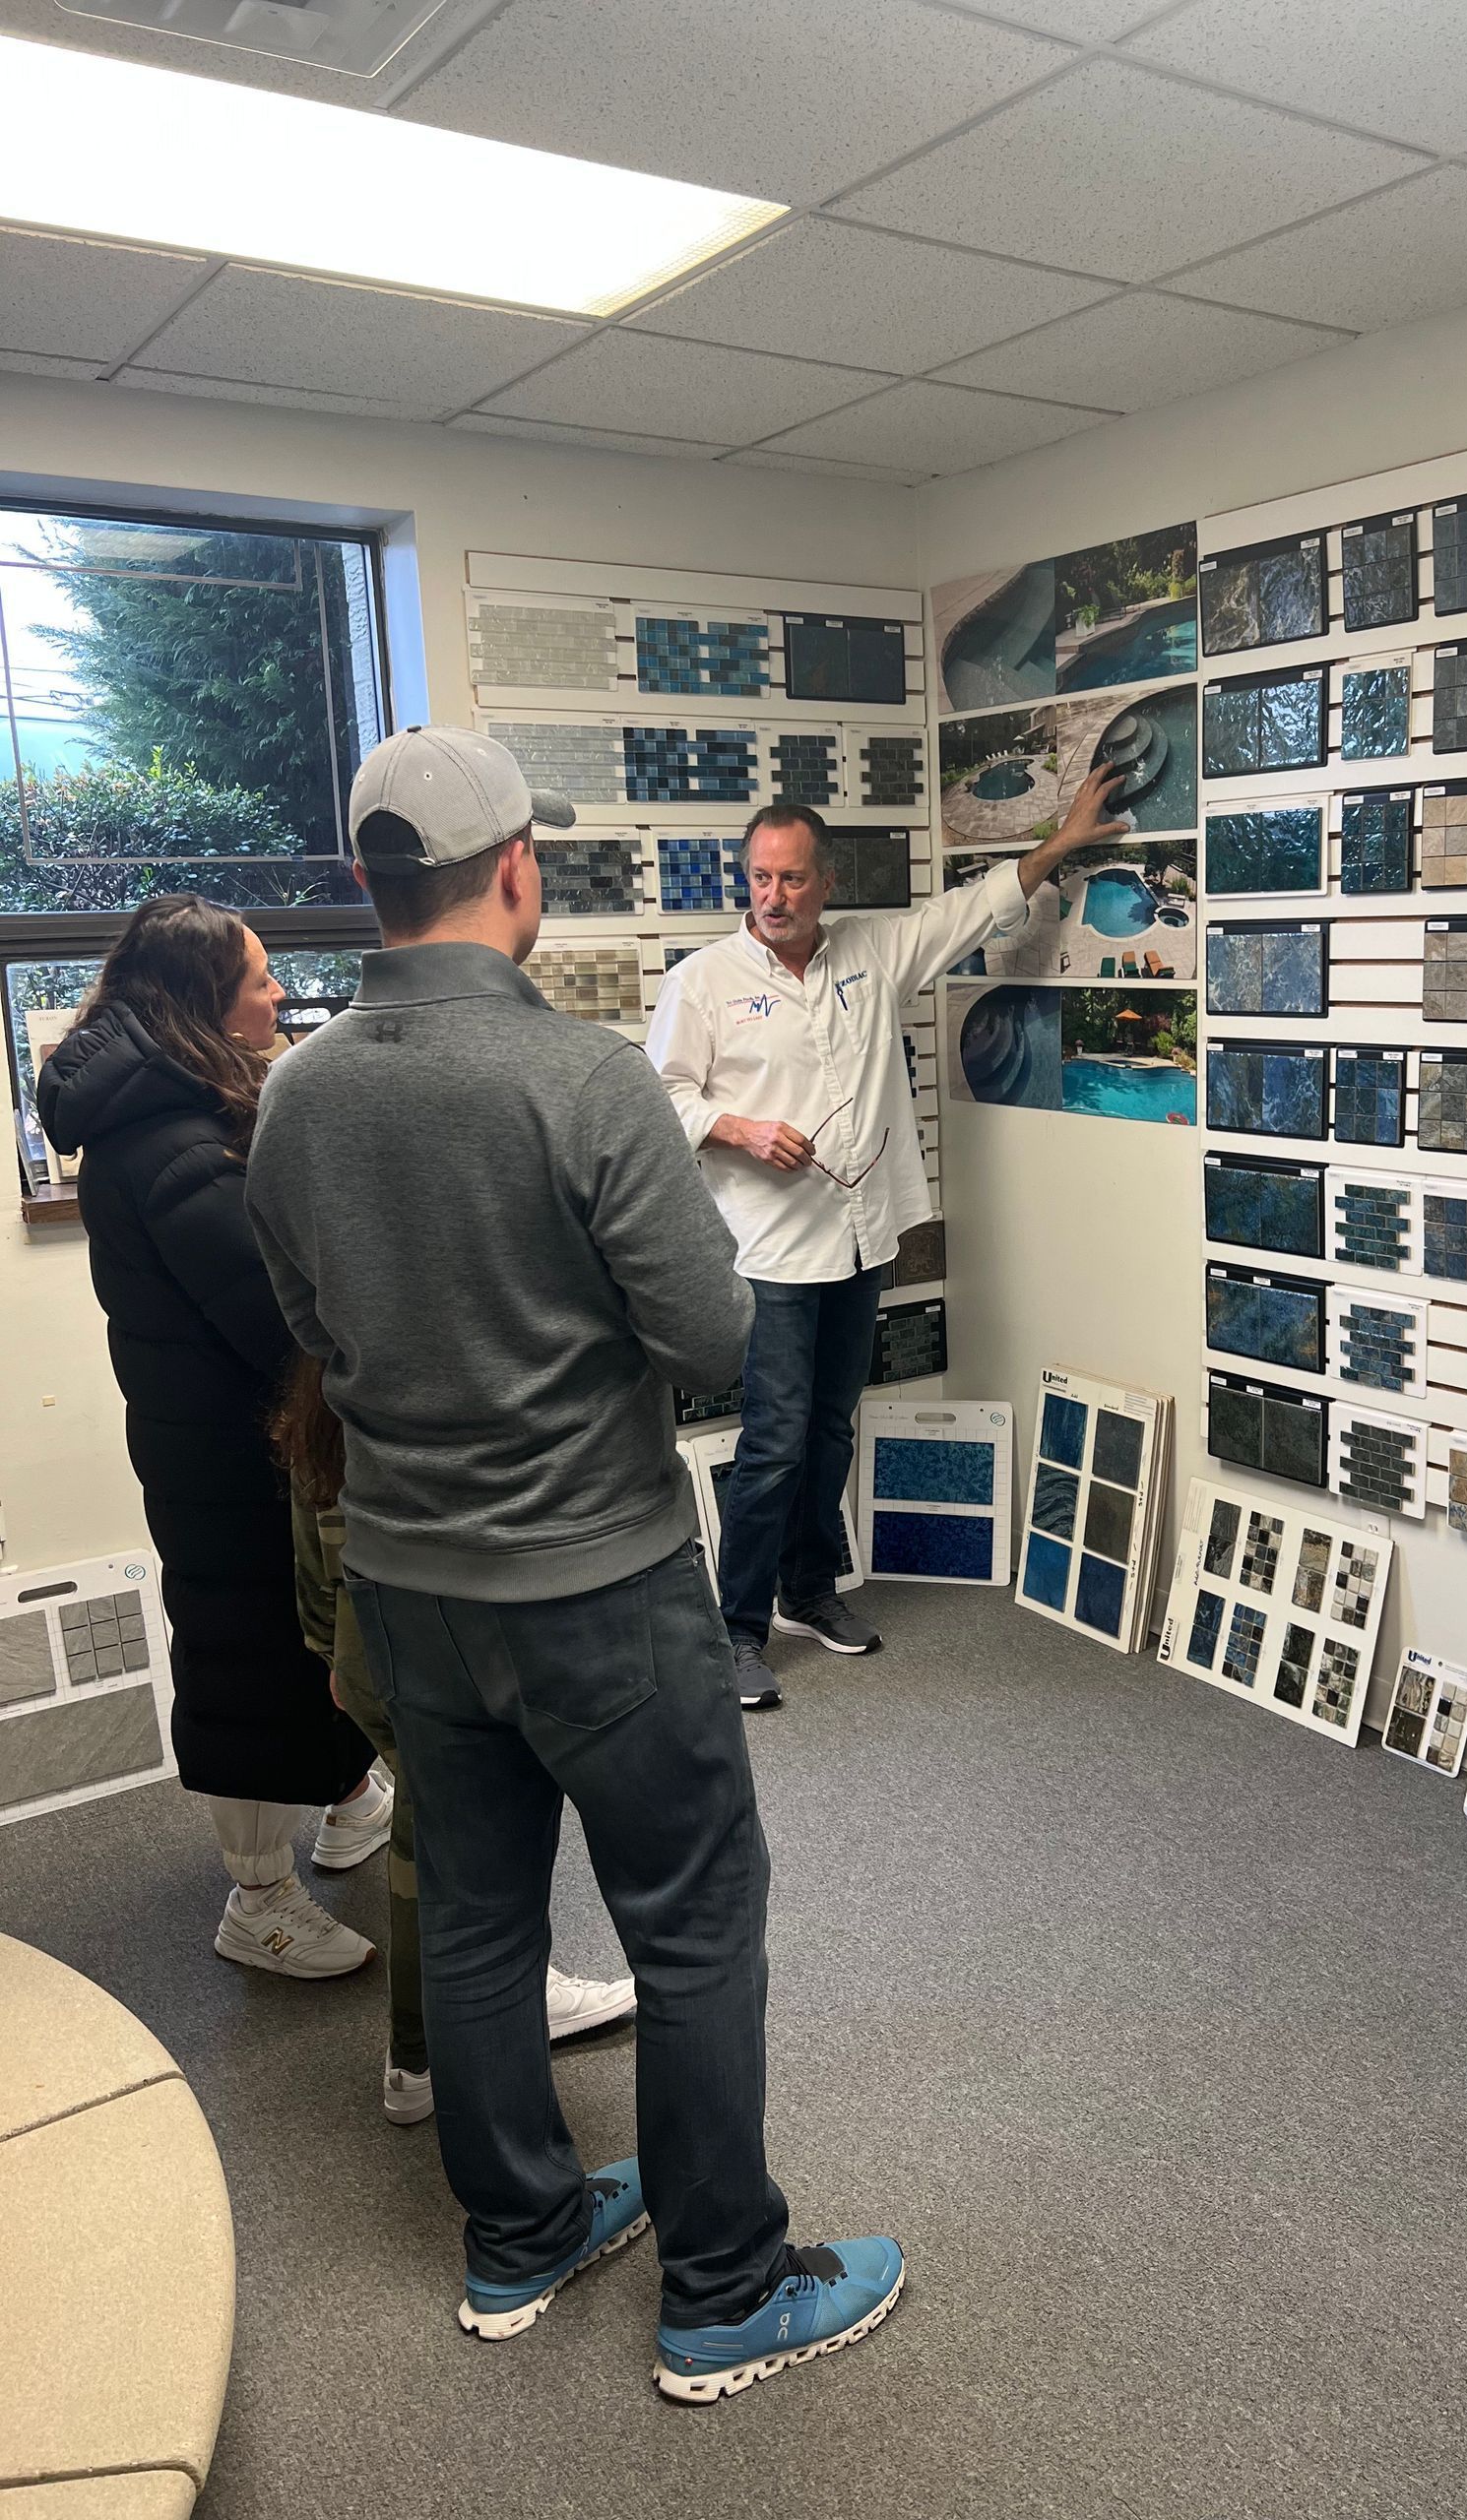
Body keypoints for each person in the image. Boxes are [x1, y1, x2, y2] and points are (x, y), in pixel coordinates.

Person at [245, 724, 902, 2398]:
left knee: (470, 1912)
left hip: (412, 1585)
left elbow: (314, 1328)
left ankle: (522, 2234)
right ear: (520, 871)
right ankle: (724, 2296)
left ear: (369, 887)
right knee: (690, 1923)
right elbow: (707, 1327)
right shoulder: (586, 1080)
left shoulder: (300, 1093)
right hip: (596, 1586)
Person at [645, 773, 1126, 1708]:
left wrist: (1060, 845)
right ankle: (736, 1632)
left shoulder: (873, 953)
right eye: (759, 878)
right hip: (771, 1251)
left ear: (826, 883)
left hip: (861, 1238)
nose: (772, 897)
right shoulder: (701, 983)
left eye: (790, 879)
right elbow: (660, 1099)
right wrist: (739, 1129)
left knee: (831, 1427)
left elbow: (971, 908)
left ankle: (809, 1591)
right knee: (776, 1439)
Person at [36, 895, 389, 1980]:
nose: (280, 993)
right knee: (248, 1659)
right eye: (260, 980)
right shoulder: (166, 1139)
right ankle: (259, 1901)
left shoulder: (179, 1102)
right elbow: (272, 1310)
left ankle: (344, 1803)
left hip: (244, 1435)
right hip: (222, 1450)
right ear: (205, 1004)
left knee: (306, 1640)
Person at [270, 1354, 640, 2124]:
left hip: (365, 1646)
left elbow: (317, 1532)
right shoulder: (451, 1378)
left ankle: (456, 2030)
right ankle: (424, 2053)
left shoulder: (333, 1372)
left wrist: (327, 1649)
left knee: (443, 1837)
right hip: (447, 1643)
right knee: (449, 1850)